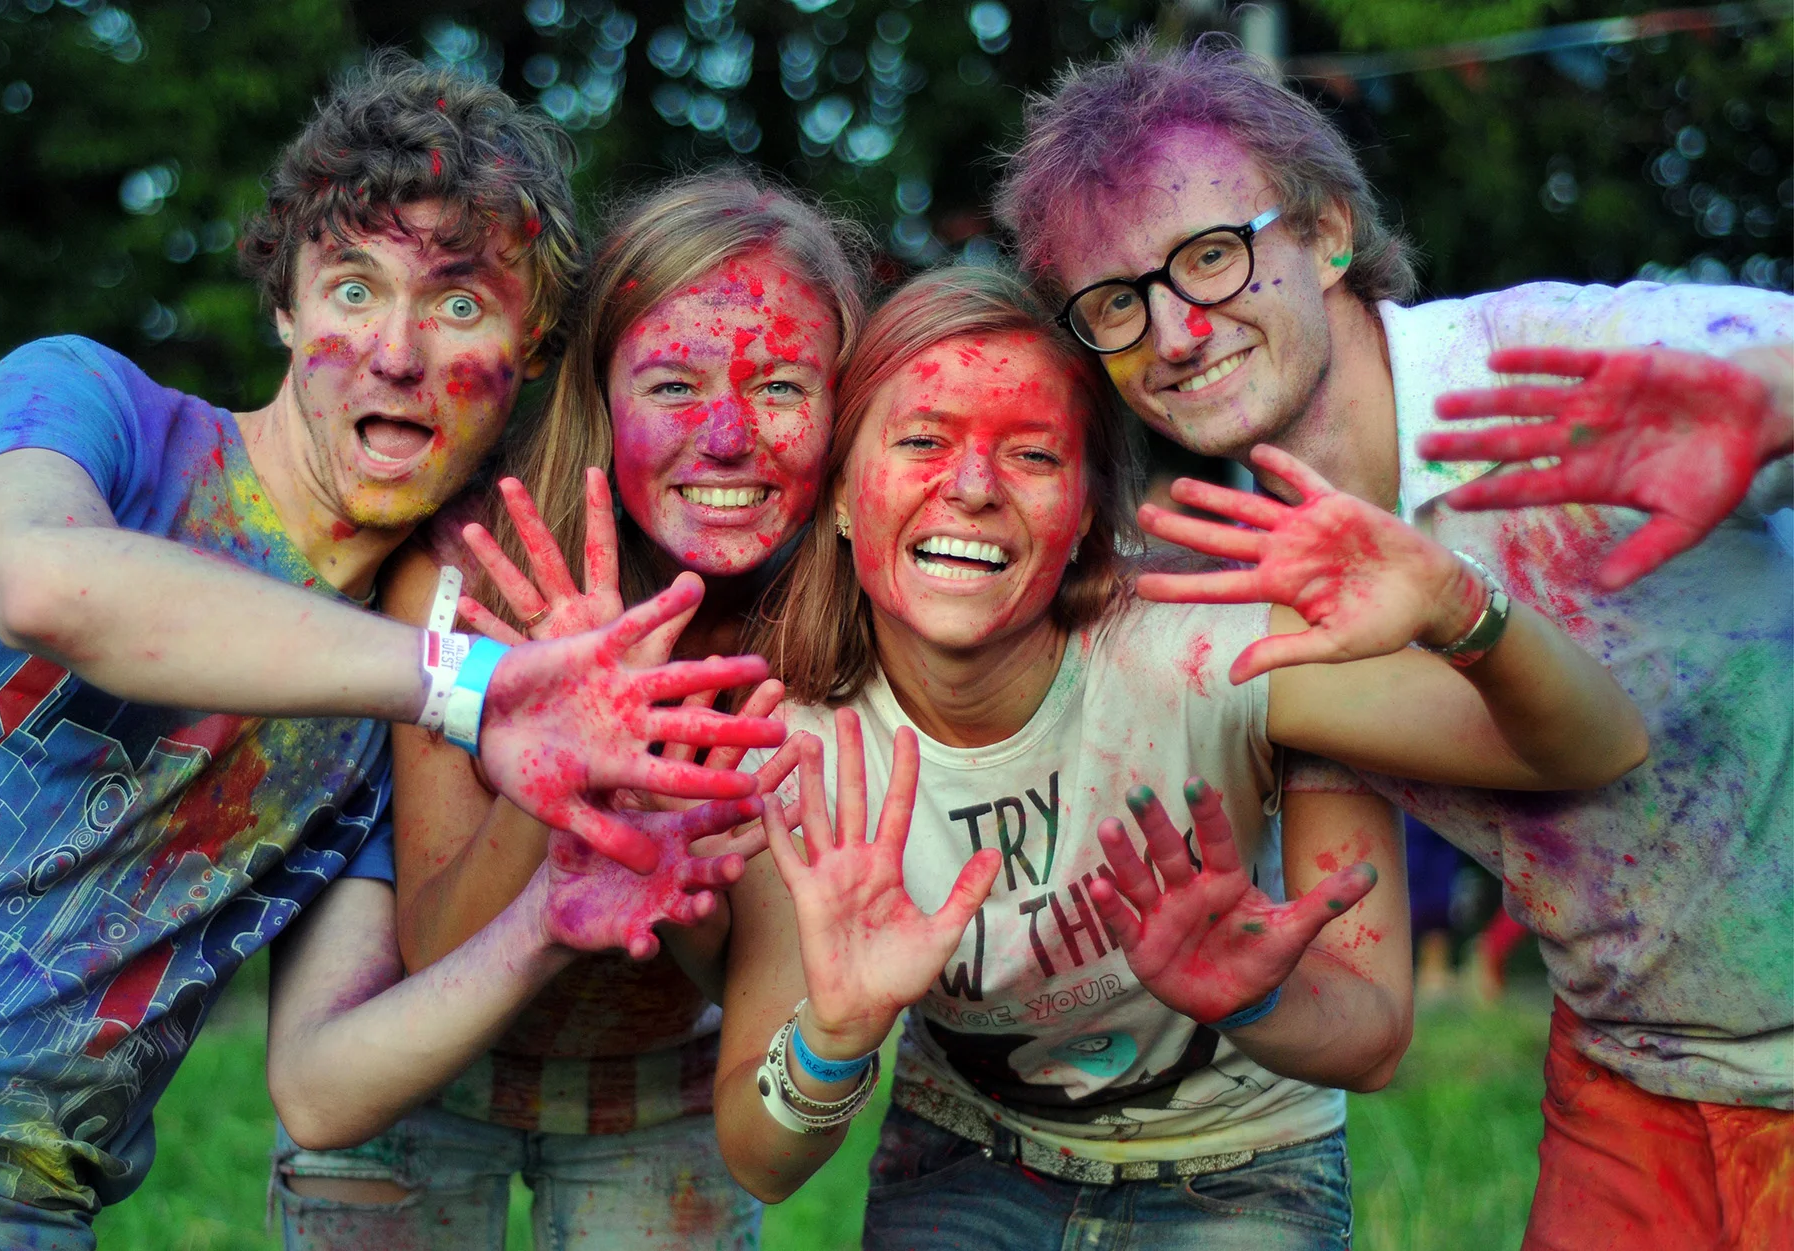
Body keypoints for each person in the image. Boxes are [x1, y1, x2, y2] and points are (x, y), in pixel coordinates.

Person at [0, 57, 784, 1251]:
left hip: (1, 1222)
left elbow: (320, 1088)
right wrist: (468, 688)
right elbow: (41, 584)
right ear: (285, 308)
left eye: (459, 306)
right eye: (353, 288)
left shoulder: (387, 718)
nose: (397, 353)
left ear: (531, 348)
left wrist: (545, 919)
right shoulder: (90, 410)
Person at [997, 34, 1794, 1251]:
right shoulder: (1255, 590)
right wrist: (1246, 993)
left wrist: (1778, 398)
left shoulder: (1551, 369)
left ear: (1325, 234)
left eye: (1208, 256)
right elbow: (1364, 1015)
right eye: (1116, 302)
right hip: (1632, 1082)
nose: (1173, 332)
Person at [711, 267, 1646, 1251]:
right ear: (842, 495)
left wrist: (1456, 603)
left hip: (1239, 1166)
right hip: (969, 1155)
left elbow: (1600, 744)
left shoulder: (1207, 652)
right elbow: (759, 1161)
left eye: (1032, 454)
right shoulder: (795, 742)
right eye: (921, 441)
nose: (974, 487)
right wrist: (834, 1038)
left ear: (1086, 512)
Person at [268, 173, 865, 1251]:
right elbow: (436, 941)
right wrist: (559, 782)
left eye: (780, 385)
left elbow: (753, 993)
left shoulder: (829, 626)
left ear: (841, 405)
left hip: (664, 1093)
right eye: (672, 384)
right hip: (416, 1082)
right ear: (597, 392)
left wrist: (672, 868)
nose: (726, 435)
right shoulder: (468, 577)